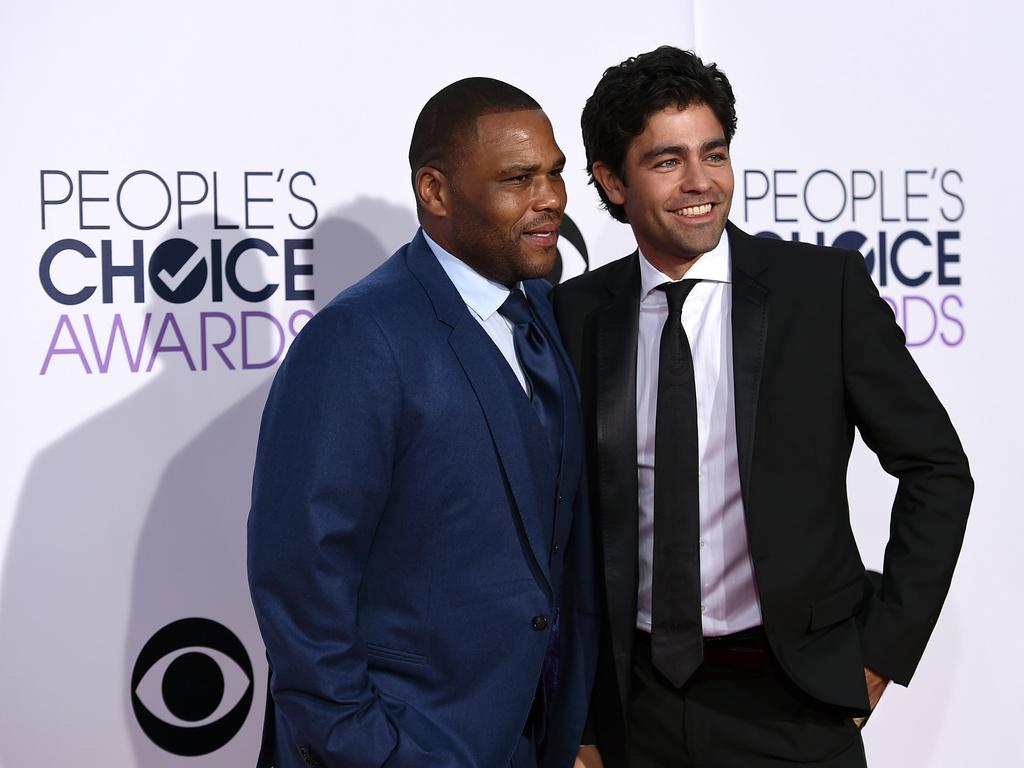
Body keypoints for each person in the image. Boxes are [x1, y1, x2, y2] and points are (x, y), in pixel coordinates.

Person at [553, 47, 972, 768]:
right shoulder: (574, 315)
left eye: (713, 154)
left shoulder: (821, 291)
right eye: (666, 162)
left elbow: (937, 469)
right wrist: (578, 716)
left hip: (797, 705)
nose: (701, 183)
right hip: (633, 710)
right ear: (611, 181)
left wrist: (879, 653)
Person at [248, 77, 598, 768]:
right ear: (435, 192)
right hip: (400, 744)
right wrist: (373, 750)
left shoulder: (548, 315)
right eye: (518, 178)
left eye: (555, 173)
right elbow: (300, 581)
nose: (552, 197)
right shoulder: (359, 337)